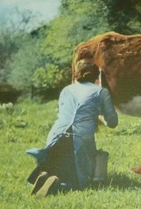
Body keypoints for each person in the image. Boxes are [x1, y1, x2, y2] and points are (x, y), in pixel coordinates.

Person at [26, 59, 118, 196]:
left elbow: (62, 112)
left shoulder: (66, 90)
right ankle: (58, 185)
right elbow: (113, 122)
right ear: (95, 76)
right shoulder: (101, 92)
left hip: (57, 135)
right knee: (82, 182)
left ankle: (46, 175)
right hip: (81, 137)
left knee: (59, 163)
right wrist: (100, 116)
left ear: (77, 74)